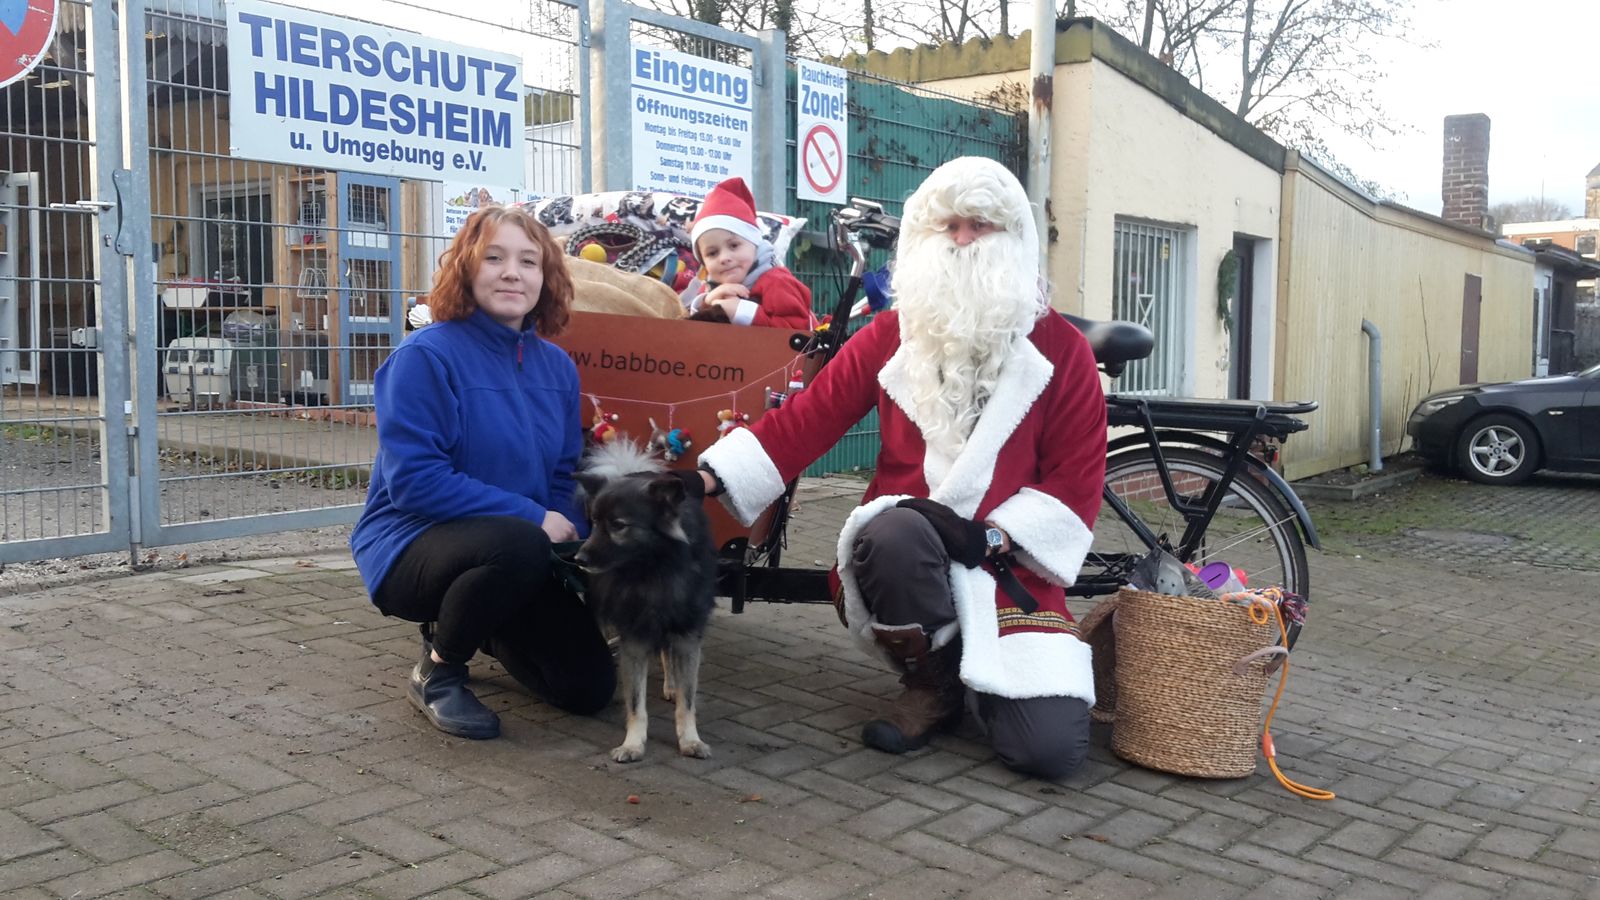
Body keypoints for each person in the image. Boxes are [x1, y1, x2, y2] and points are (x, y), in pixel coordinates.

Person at [696, 157, 1107, 778]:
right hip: (906, 558)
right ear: (922, 237)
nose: (963, 240)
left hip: (1008, 572)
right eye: (948, 227)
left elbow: (1076, 485)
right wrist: (703, 477)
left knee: (1048, 754)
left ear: (1014, 239)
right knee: (893, 529)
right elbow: (807, 420)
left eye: (981, 226)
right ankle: (933, 680)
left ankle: (989, 679)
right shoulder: (889, 334)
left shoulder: (1061, 350)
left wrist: (989, 536)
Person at [350, 205, 615, 740]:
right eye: (494, 258)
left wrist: (568, 531)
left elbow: (566, 471)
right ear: (467, 269)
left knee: (587, 690)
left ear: (547, 277)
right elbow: (415, 481)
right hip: (412, 542)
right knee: (515, 544)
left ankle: (481, 618)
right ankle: (440, 667)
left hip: (519, 547)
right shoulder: (425, 356)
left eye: (528, 261)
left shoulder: (558, 368)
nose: (512, 272)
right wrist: (534, 518)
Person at [685, 177, 817, 331]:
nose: (724, 258)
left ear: (754, 243)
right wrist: (707, 304)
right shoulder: (709, 288)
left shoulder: (778, 282)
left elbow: (798, 334)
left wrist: (743, 312)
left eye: (734, 245)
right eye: (712, 253)